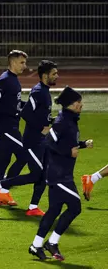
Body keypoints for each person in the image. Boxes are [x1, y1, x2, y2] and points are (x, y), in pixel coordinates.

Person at [29, 86, 93, 261]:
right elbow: (48, 142)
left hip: (62, 173)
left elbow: (66, 143)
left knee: (54, 210)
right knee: (75, 206)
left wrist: (82, 144)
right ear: (70, 104)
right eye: (78, 101)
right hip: (59, 175)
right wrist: (68, 152)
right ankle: (52, 242)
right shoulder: (62, 121)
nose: (81, 104)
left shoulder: (70, 120)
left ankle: (36, 245)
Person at [0, 60, 58, 215]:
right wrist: (41, 128)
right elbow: (26, 113)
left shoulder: (45, 91)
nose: (56, 76)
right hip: (33, 140)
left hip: (42, 140)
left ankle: (33, 207)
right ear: (45, 75)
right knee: (36, 174)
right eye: (54, 73)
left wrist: (50, 120)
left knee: (43, 174)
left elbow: (38, 114)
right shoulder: (39, 91)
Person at [0, 50, 28, 206]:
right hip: (8, 127)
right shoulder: (4, 80)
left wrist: (29, 106)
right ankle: (3, 192)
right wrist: (13, 111)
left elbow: (14, 103)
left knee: (4, 161)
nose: (25, 66)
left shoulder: (14, 80)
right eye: (22, 62)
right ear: (12, 62)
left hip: (11, 125)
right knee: (24, 156)